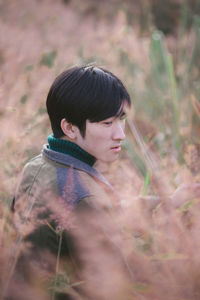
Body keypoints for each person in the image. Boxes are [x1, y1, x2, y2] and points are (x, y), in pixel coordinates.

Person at [6, 65, 131, 300]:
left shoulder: (36, 166)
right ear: (69, 128)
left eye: (121, 120)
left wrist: (166, 202)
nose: (120, 134)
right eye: (107, 123)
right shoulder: (81, 194)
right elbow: (119, 287)